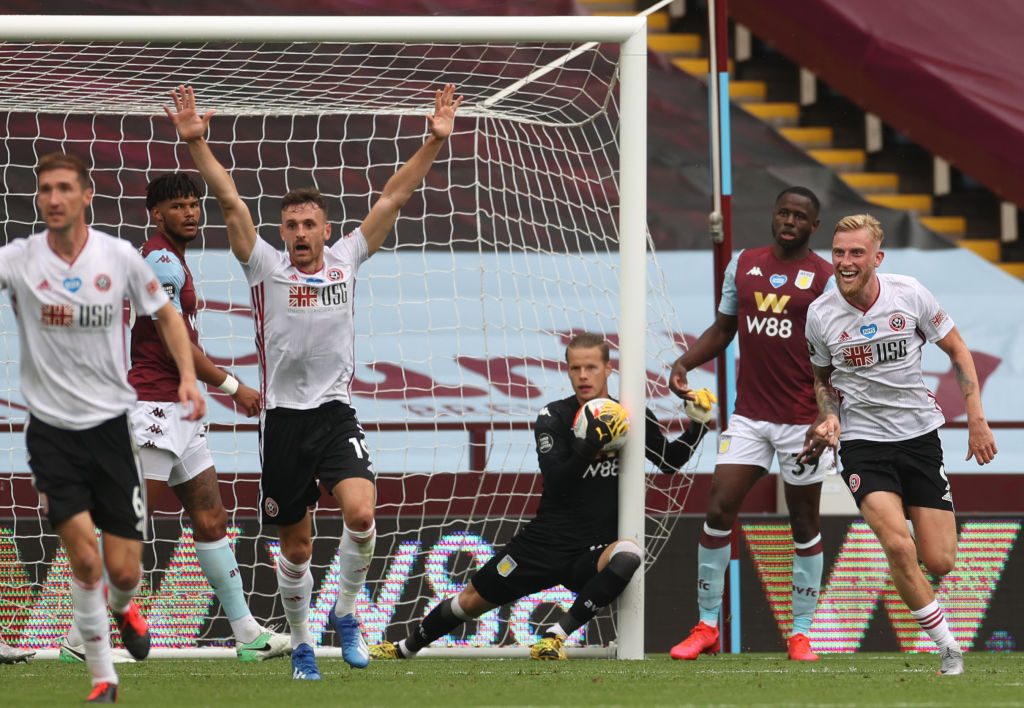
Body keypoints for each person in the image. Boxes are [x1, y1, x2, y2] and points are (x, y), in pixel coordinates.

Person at [163, 82, 462, 680]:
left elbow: (395, 198)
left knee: (360, 512)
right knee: (296, 549)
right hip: (281, 423)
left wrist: (433, 140)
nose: (299, 233)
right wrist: (197, 144)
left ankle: (347, 615)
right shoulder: (264, 264)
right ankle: (302, 641)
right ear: (282, 232)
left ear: (327, 231)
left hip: (333, 415)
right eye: (291, 224)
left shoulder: (348, 257)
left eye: (309, 224)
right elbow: (229, 203)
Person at [369, 332, 714, 661]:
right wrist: (589, 443)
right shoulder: (553, 417)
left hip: (591, 551)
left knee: (628, 555)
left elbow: (670, 462)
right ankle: (405, 647)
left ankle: (555, 637)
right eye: (575, 368)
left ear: (609, 369)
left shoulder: (628, 416)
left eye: (592, 367)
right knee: (470, 601)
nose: (583, 376)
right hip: (543, 544)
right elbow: (558, 481)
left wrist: (697, 425)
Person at [58, 173, 289, 664]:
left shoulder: (174, 260)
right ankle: (84, 638)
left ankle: (246, 631)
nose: (191, 213)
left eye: (194, 204)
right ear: (156, 214)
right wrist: (230, 385)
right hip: (154, 409)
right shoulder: (161, 259)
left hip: (178, 412)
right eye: (179, 206)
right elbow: (172, 338)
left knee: (210, 517)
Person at [0, 152, 204, 702]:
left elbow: (166, 315)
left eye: (65, 187)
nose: (55, 197)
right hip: (51, 433)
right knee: (84, 559)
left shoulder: (119, 257)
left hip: (113, 430)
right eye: (45, 189)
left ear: (86, 195)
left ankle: (123, 607)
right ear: (39, 199)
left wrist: (188, 376)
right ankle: (103, 676)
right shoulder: (20, 259)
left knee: (122, 571)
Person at [801, 214, 997, 675]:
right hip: (864, 444)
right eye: (839, 253)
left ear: (877, 258)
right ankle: (948, 648)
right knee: (898, 546)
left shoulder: (909, 294)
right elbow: (822, 380)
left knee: (940, 560)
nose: (845, 263)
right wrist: (829, 418)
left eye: (856, 254)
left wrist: (977, 421)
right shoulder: (821, 315)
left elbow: (958, 349)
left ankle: (934, 602)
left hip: (919, 439)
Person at [667, 187, 835, 662]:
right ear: (773, 216)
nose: (789, 221)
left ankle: (801, 633)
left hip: (802, 421)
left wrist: (826, 418)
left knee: (803, 521)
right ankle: (706, 626)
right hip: (750, 419)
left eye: (799, 216)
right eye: (782, 212)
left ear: (813, 226)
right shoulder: (742, 264)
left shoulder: (824, 279)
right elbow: (724, 329)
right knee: (719, 508)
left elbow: (836, 358)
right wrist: (685, 361)